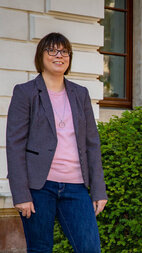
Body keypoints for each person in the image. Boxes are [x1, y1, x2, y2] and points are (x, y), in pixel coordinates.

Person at [6, 32, 108, 252]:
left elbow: (92, 143)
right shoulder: (25, 93)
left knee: (90, 248)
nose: (59, 55)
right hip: (38, 188)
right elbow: (14, 145)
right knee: (40, 249)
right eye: (52, 50)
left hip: (76, 186)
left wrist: (99, 189)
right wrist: (21, 194)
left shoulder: (80, 94)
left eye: (64, 51)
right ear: (41, 55)